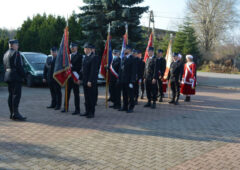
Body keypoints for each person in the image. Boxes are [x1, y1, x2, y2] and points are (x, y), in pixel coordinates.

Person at [3, 39, 26, 121]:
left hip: (8, 76)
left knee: (11, 95)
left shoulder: (5, 54)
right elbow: (19, 66)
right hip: (15, 76)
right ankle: (15, 114)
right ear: (13, 45)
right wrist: (24, 75)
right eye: (17, 44)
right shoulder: (16, 53)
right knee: (16, 95)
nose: (18, 46)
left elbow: (5, 66)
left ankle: (12, 113)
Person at [61, 42, 82, 115]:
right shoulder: (68, 56)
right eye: (71, 47)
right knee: (67, 93)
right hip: (68, 77)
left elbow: (80, 67)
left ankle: (77, 109)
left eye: (74, 47)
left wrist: (72, 67)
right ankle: (65, 107)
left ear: (77, 48)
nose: (72, 48)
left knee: (76, 94)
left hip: (75, 77)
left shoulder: (80, 56)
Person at [81, 43, 99, 118]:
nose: (85, 50)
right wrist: (80, 79)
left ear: (90, 49)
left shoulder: (94, 57)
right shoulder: (85, 57)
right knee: (86, 97)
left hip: (90, 81)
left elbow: (93, 71)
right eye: (84, 49)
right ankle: (87, 111)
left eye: (87, 49)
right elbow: (82, 70)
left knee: (91, 97)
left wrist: (90, 81)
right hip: (85, 81)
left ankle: (91, 112)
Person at [118, 45, 137, 113]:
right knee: (124, 94)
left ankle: (131, 107)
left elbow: (133, 71)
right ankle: (125, 106)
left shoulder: (133, 59)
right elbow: (121, 69)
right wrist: (119, 78)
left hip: (129, 80)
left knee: (130, 94)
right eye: (125, 49)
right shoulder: (123, 58)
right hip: (123, 79)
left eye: (126, 49)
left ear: (129, 50)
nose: (124, 50)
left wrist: (132, 81)